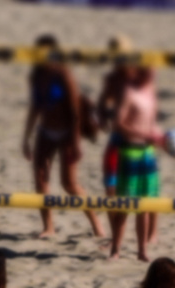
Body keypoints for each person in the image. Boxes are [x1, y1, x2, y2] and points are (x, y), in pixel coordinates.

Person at [24, 35, 104, 240]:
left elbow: (76, 112)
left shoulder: (64, 75)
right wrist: (26, 137)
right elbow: (35, 108)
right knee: (40, 181)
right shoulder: (37, 75)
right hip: (45, 132)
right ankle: (49, 227)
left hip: (67, 132)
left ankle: (96, 223)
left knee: (69, 184)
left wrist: (76, 142)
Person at [101, 39, 163, 261]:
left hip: (147, 152)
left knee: (145, 206)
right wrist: (144, 134)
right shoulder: (130, 91)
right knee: (125, 205)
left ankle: (142, 250)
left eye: (154, 69)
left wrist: (159, 137)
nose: (152, 72)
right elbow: (119, 122)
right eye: (149, 69)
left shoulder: (150, 92)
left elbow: (151, 121)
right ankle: (116, 250)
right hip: (130, 150)